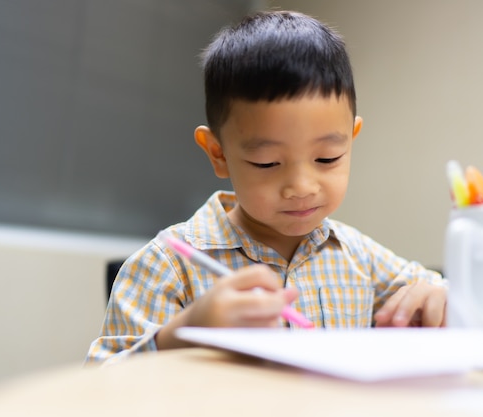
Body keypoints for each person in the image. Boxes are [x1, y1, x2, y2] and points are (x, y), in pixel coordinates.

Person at [86, 10, 446, 364]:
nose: (301, 187)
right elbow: (98, 387)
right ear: (218, 153)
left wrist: (439, 296)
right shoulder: (168, 267)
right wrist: (183, 333)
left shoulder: (358, 257)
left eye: (328, 158)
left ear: (351, 138)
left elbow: (441, 293)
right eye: (267, 163)